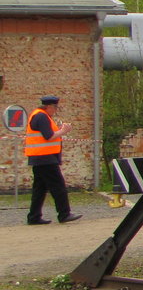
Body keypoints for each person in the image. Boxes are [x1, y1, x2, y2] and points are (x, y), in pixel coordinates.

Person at [25, 94, 82, 225]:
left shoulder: (38, 115)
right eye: (55, 108)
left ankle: (33, 217)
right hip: (45, 158)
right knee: (58, 186)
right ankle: (64, 214)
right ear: (49, 106)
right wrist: (64, 131)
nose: (55, 111)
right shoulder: (41, 116)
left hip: (39, 157)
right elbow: (49, 136)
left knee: (39, 189)